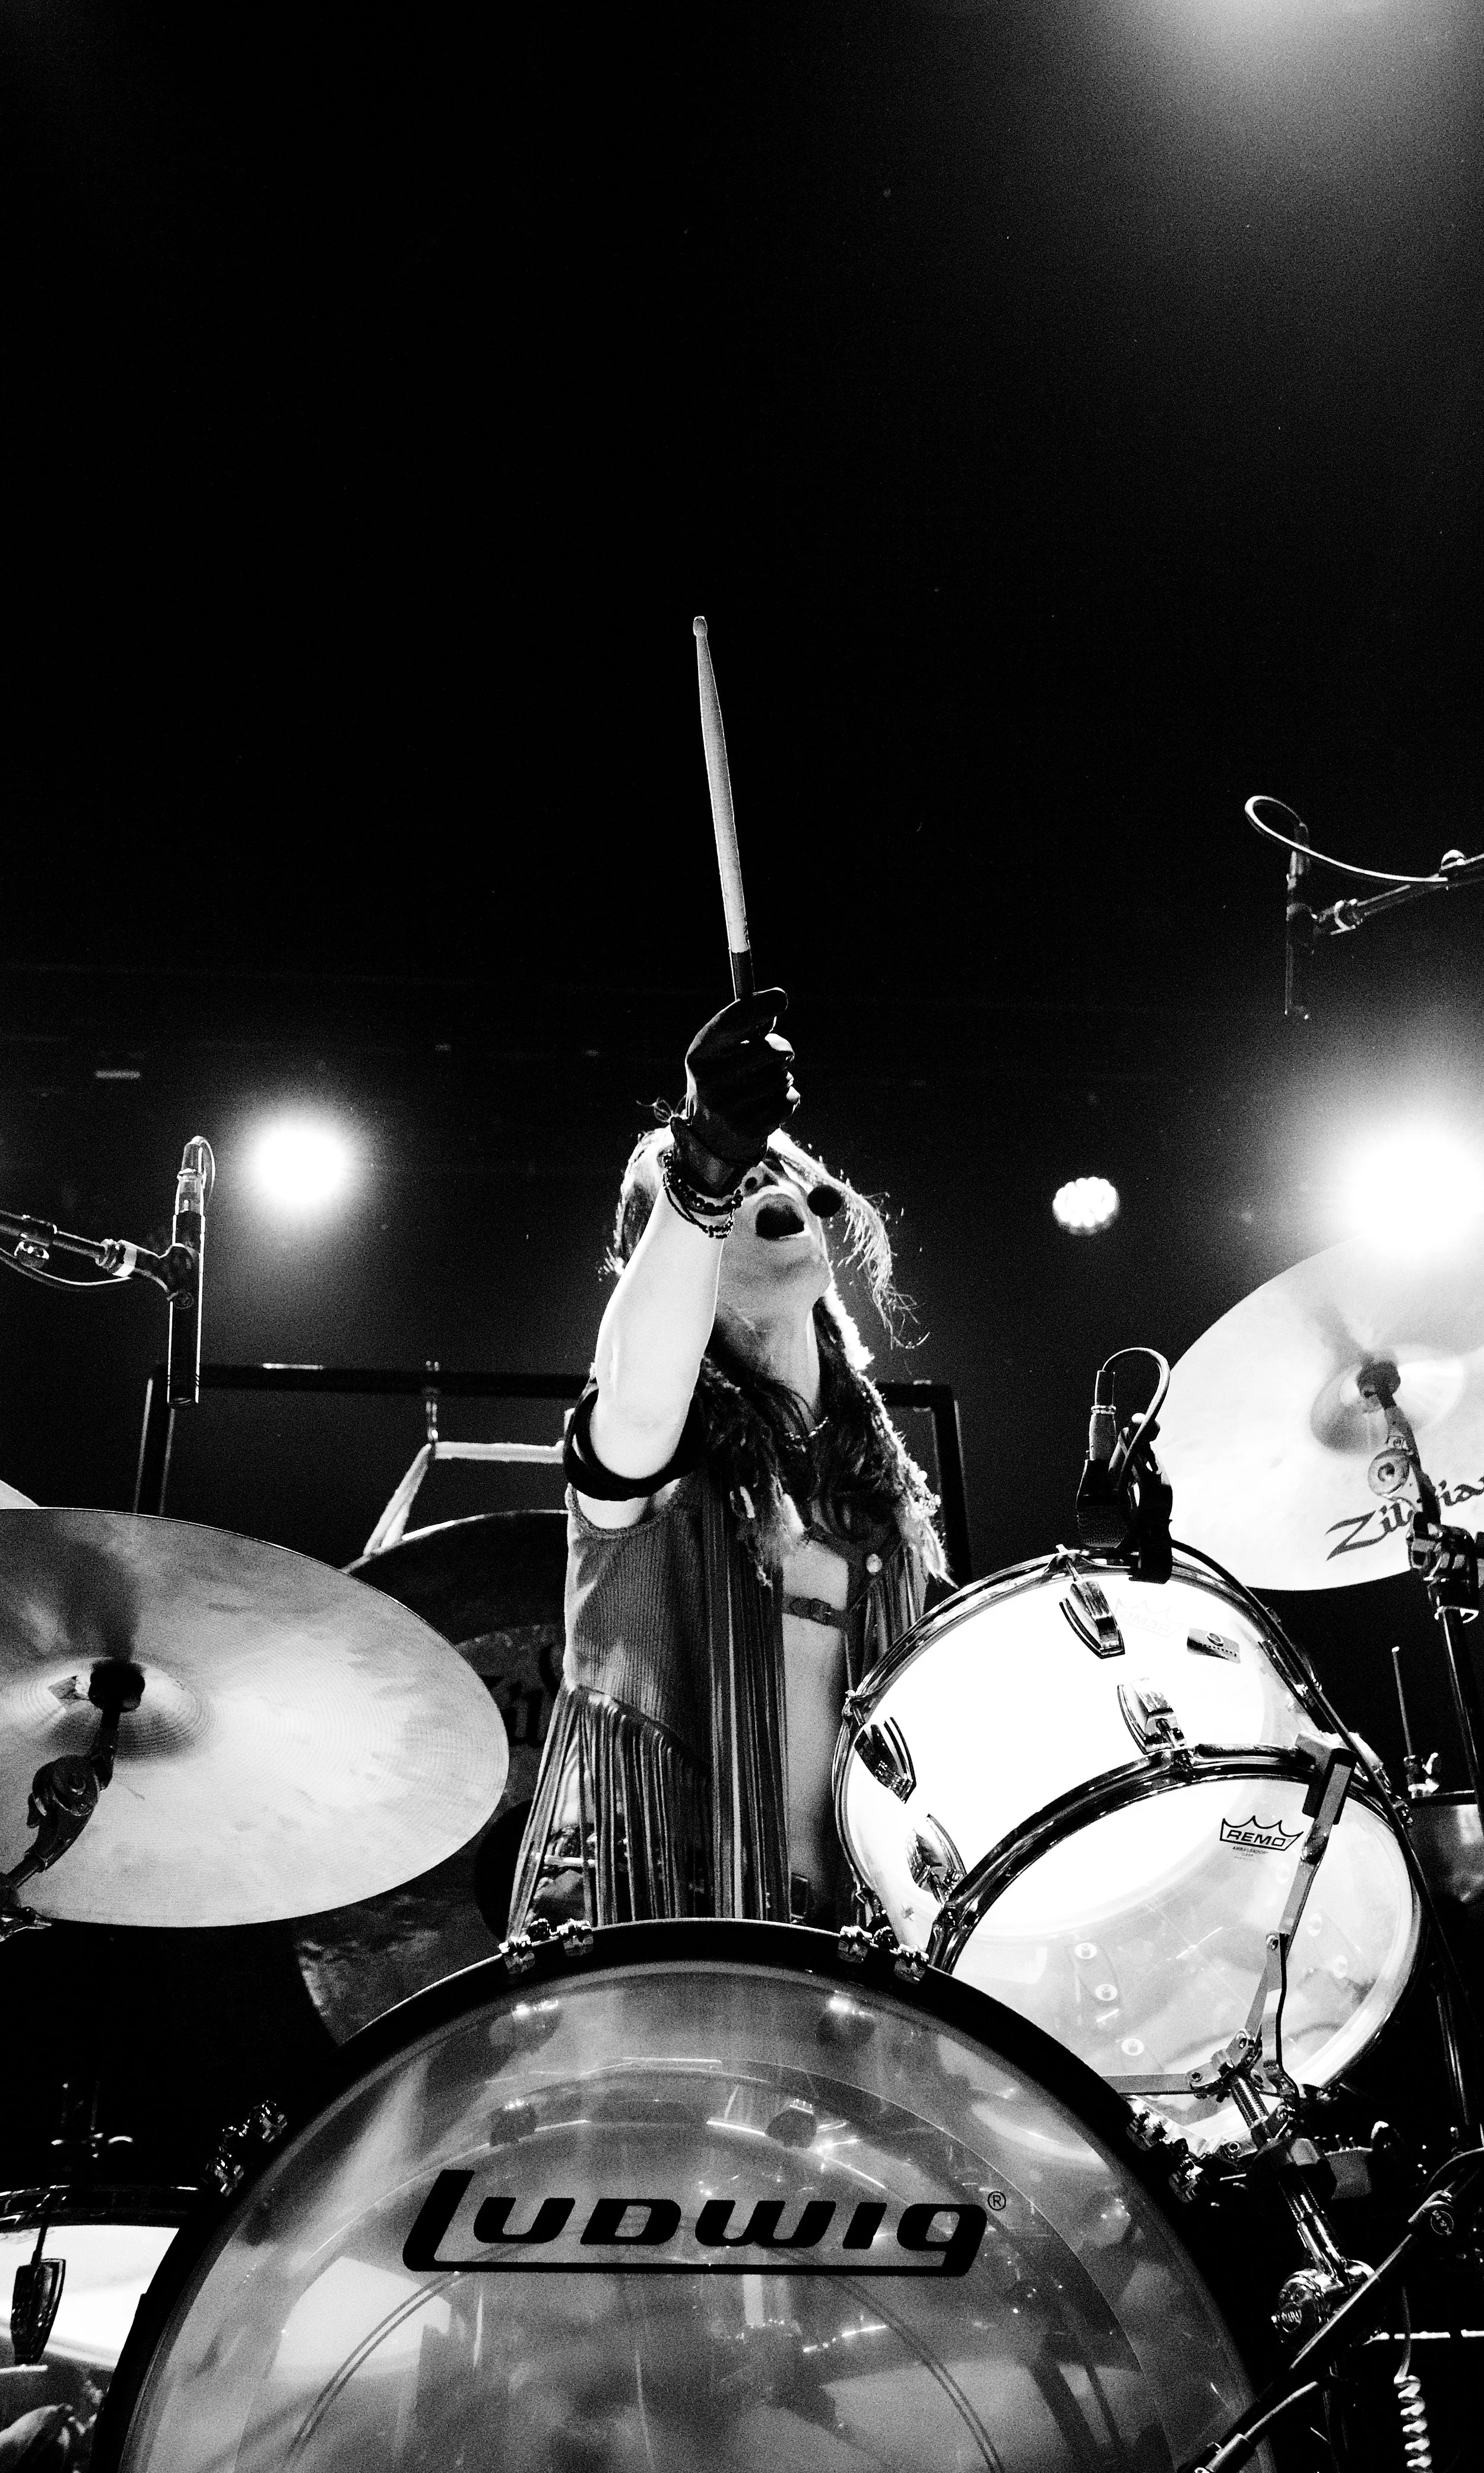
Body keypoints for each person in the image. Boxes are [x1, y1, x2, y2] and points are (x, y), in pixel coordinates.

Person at [507, 989, 946, 1933]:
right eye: (734, 1187)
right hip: (645, 1941)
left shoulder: (888, 1510)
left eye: (774, 1178)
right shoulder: (652, 1438)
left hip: (848, 1958)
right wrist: (699, 1171)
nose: (762, 1192)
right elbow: (637, 1377)